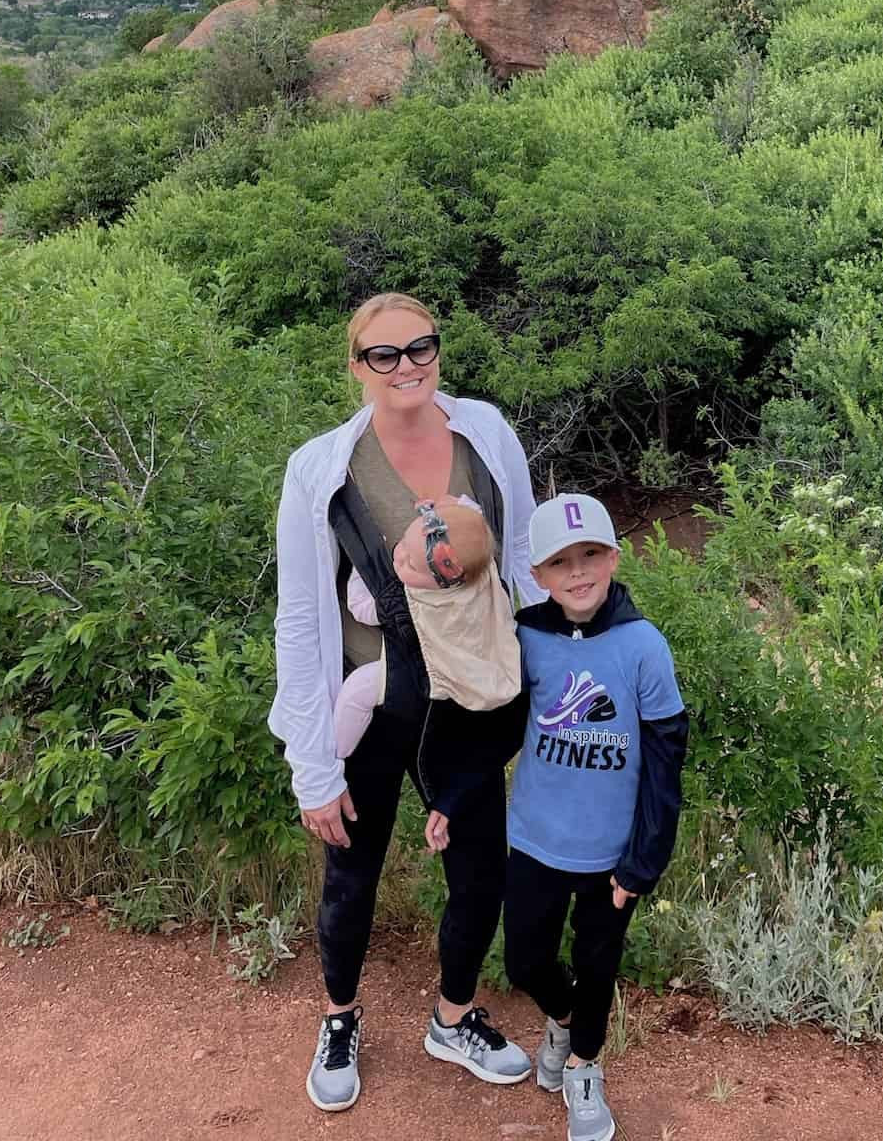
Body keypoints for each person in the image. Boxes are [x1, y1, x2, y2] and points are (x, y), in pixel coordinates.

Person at [269, 292, 541, 1113]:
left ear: (437, 352)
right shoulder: (321, 467)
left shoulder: (486, 434)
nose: (406, 367)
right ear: (356, 366)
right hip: (375, 704)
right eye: (383, 355)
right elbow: (301, 611)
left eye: (419, 348)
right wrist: (313, 765)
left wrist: (543, 684)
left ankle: (453, 1018)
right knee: (352, 869)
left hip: (466, 703)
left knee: (480, 871)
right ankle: (340, 1017)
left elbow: (521, 558)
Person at [441, 492, 688, 1141]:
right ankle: (566, 1017)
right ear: (539, 576)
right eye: (560, 562)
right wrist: (451, 798)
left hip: (611, 856)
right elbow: (499, 737)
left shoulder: (644, 648)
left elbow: (666, 766)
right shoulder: (530, 638)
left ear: (613, 556)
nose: (577, 573)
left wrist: (643, 863)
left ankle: (582, 1065)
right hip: (535, 844)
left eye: (590, 556)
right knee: (526, 963)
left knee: (599, 962)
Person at [332, 495, 521, 756]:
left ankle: (336, 751)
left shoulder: (411, 602)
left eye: (410, 564)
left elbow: (361, 608)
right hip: (484, 660)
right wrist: (458, 505)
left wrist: (360, 568)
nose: (398, 557)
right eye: (404, 545)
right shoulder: (481, 572)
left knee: (358, 689)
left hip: (432, 672)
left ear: (446, 578)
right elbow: (475, 527)